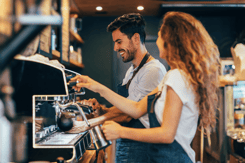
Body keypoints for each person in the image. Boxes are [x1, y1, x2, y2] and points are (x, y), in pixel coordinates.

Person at [71, 11, 220, 162]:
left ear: (171, 40)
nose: (156, 41)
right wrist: (95, 86)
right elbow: (136, 109)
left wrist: (121, 132)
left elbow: (167, 134)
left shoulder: (177, 77)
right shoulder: (171, 76)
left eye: (160, 36)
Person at [69, 13, 167, 163]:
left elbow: (132, 114)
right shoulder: (132, 71)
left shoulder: (153, 70)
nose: (115, 48)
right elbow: (126, 108)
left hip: (142, 148)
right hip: (128, 144)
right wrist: (101, 109)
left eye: (119, 41)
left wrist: (86, 124)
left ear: (135, 38)